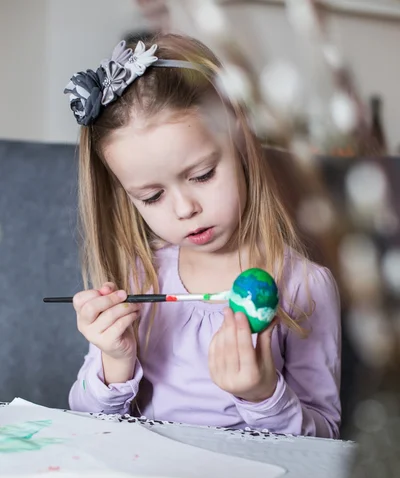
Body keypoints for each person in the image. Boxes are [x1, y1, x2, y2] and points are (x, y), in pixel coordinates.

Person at [66, 33, 341, 437]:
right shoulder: (140, 275)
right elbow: (82, 420)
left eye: (202, 175)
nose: (184, 209)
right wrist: (114, 362)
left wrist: (263, 396)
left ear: (241, 144)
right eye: (152, 196)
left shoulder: (304, 286)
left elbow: (327, 437)